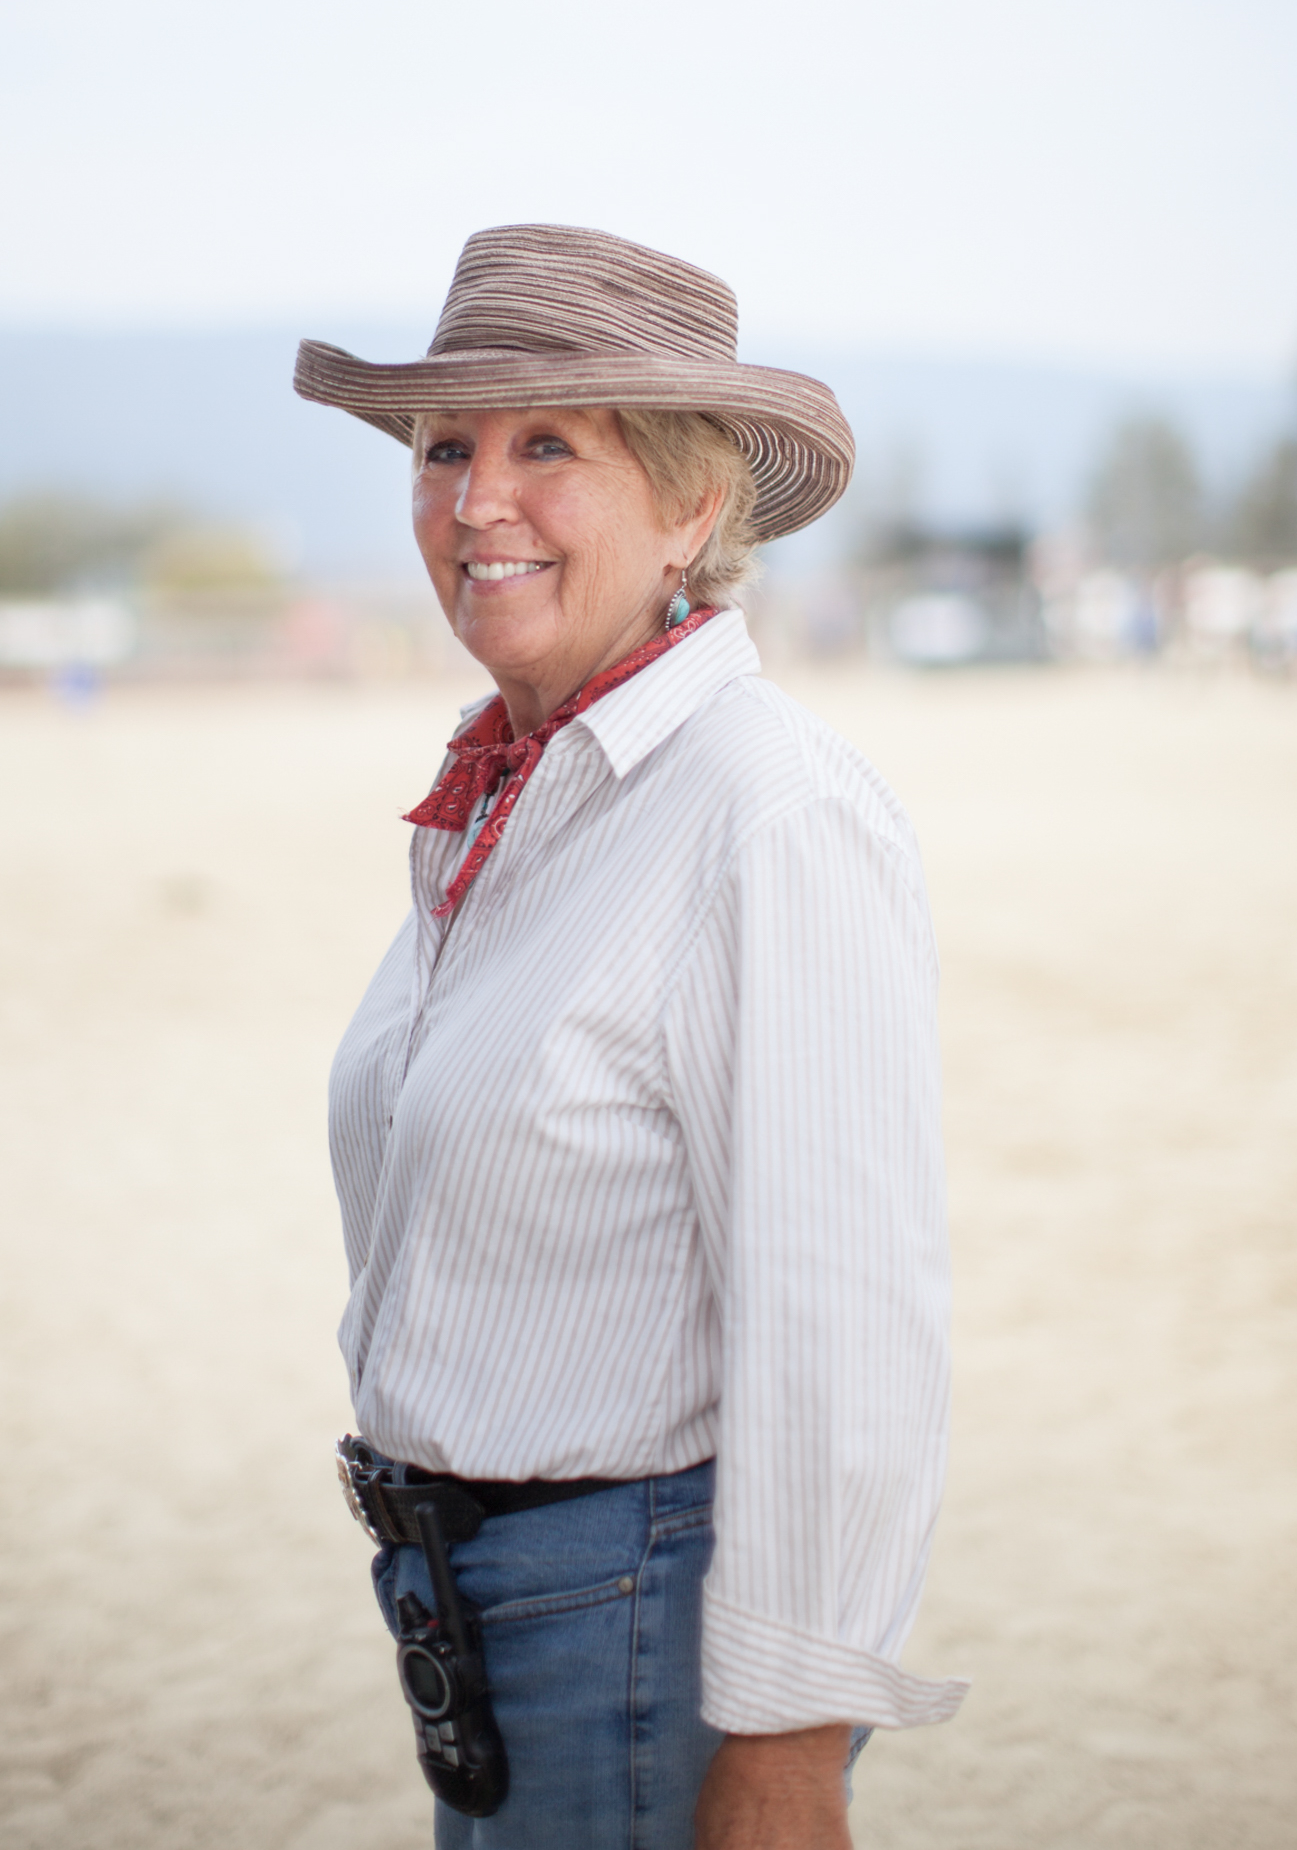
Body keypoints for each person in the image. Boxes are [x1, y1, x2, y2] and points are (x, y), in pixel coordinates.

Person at [296, 224, 967, 1849]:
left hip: (642, 1622)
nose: (475, 502)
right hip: (490, 1615)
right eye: (446, 446)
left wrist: (793, 1749)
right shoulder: (513, 794)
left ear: (689, 506)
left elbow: (842, 1321)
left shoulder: (762, 809)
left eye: (550, 447)